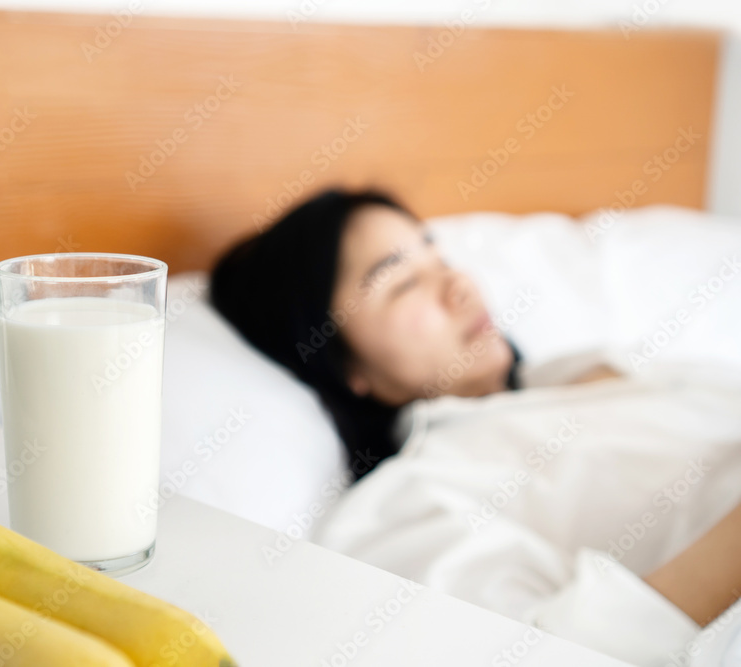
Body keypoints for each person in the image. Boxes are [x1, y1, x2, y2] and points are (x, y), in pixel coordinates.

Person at [209, 188, 741, 665]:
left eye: (436, 253)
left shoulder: (591, 366)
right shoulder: (411, 502)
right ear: (343, 365)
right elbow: (547, 653)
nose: (458, 284)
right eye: (402, 281)